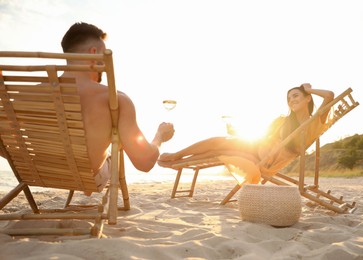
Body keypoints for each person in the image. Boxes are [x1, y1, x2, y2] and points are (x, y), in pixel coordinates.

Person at [60, 22, 175, 192]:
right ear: (94, 53)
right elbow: (144, 163)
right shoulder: (114, 99)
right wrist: (160, 136)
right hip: (90, 179)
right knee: (116, 144)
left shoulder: (24, 93)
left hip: (35, 174)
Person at [158, 84, 334, 179]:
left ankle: (176, 159)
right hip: (258, 148)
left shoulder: (316, 120)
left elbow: (329, 95)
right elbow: (266, 135)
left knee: (217, 148)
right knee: (216, 144)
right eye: (289, 98)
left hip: (265, 159)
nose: (291, 100)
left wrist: (307, 88)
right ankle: (177, 158)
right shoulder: (285, 121)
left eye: (296, 95)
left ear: (308, 98)